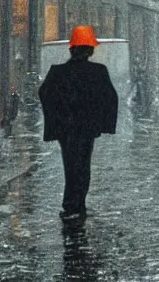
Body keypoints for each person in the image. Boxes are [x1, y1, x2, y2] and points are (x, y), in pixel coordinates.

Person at [38, 25, 118, 223]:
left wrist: (58, 116)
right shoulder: (98, 71)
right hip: (87, 128)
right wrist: (103, 122)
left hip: (66, 128)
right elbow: (110, 98)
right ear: (90, 50)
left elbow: (44, 93)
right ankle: (78, 202)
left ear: (71, 49)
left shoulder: (58, 72)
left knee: (70, 164)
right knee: (83, 165)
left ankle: (70, 203)